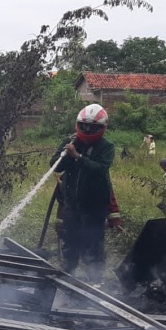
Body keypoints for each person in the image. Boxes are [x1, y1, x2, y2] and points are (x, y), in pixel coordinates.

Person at [49, 103, 114, 283]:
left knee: (92, 244)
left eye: (93, 127)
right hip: (72, 205)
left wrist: (78, 156)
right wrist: (66, 153)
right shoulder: (70, 141)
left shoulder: (107, 147)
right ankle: (67, 279)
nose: (88, 130)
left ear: (102, 128)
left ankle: (95, 282)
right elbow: (54, 164)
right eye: (85, 126)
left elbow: (100, 169)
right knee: (70, 242)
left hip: (94, 207)